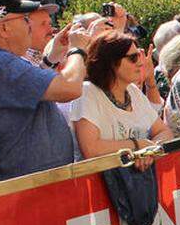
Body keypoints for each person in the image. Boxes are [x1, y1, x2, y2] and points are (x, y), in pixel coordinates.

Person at [0, 0, 87, 183]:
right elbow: (70, 88)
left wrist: (52, 57)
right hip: (27, 194)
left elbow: (29, 89)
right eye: (24, 20)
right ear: (3, 29)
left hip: (33, 188)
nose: (29, 26)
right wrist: (78, 49)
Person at [70, 31, 171, 172]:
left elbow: (163, 131)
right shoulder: (87, 93)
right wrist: (137, 144)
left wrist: (150, 150)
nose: (141, 62)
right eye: (133, 57)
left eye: (140, 56)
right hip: (99, 187)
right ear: (111, 62)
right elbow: (91, 149)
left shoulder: (133, 92)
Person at [23, 3, 58, 67]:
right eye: (43, 24)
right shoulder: (18, 62)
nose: (50, 29)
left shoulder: (51, 53)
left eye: (50, 23)